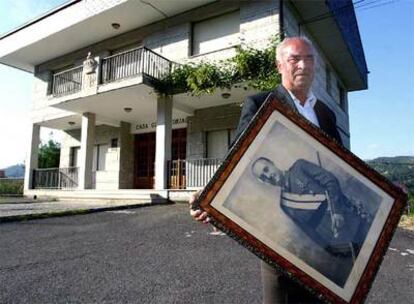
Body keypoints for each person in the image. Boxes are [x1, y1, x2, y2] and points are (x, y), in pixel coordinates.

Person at [190, 37, 344, 303]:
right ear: (279, 66)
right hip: (279, 244)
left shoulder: (326, 113)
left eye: (309, 58)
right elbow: (235, 159)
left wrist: (385, 190)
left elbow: (341, 165)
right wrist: (210, 197)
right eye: (294, 59)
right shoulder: (260, 104)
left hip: (325, 242)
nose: (303, 65)